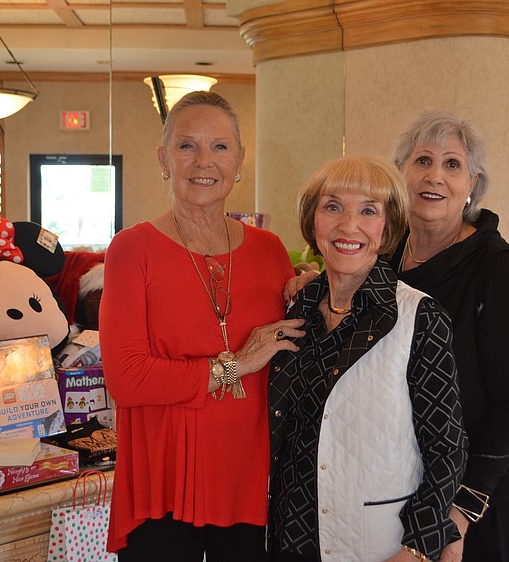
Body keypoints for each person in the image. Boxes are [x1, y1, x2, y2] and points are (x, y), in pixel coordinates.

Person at [100, 91, 305, 562]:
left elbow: (293, 351)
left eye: (219, 147)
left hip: (251, 475)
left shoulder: (270, 250)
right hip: (165, 476)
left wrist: (321, 296)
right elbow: (126, 379)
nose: (203, 162)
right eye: (187, 146)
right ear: (163, 158)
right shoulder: (132, 249)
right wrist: (233, 365)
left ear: (239, 160)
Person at [268, 155, 468, 562]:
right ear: (313, 222)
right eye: (333, 206)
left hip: (378, 544)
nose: (349, 225)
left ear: (388, 226)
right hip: (289, 537)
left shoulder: (420, 317)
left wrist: (418, 547)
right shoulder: (295, 308)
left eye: (368, 210)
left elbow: (448, 449)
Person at [389, 111, 509, 562]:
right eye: (422, 160)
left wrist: (461, 510)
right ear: (401, 171)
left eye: (452, 165)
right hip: (396, 484)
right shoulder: (385, 257)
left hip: (473, 495)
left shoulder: (497, 269)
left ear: (472, 184)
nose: (434, 176)